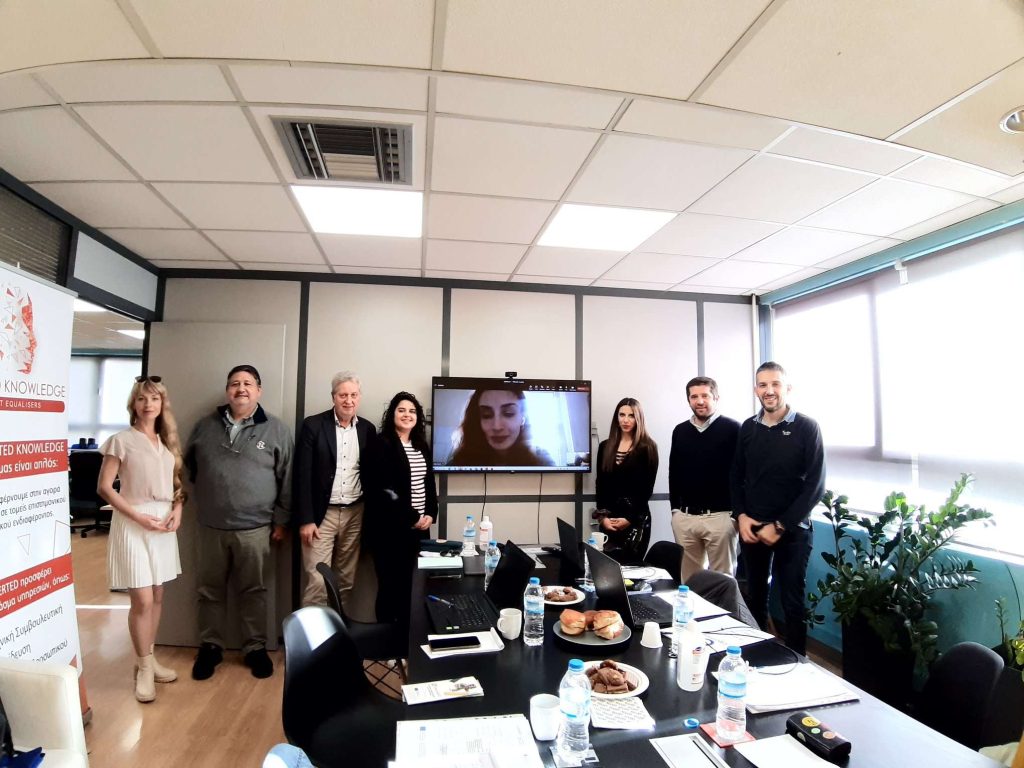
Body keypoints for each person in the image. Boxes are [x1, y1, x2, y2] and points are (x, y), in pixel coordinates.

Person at [185, 364, 293, 680]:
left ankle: (255, 648)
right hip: (211, 527)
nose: (241, 388)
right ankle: (210, 647)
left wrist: (281, 520)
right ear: (227, 391)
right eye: (234, 383)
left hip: (256, 528)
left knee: (254, 591)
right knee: (209, 591)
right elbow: (191, 469)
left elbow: (286, 479)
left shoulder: (276, 429)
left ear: (259, 391)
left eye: (248, 383)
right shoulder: (204, 426)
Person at [97, 375, 184, 703]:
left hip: (162, 523)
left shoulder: (167, 442)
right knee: (143, 600)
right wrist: (136, 516)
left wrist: (178, 509)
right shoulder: (121, 440)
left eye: (155, 398)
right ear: (133, 404)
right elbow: (105, 487)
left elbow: (177, 484)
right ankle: (143, 667)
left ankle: (149, 658)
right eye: (142, 398)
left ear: (162, 404)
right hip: (134, 521)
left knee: (158, 594)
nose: (149, 404)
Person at [730, 361, 825, 656]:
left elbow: (816, 485)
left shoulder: (807, 427)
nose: (769, 390)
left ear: (787, 388)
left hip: (793, 530)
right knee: (755, 597)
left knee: (792, 602)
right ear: (755, 390)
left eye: (775, 384)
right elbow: (736, 476)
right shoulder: (748, 428)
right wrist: (741, 515)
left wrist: (781, 525)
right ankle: (755, 658)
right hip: (754, 528)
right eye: (763, 385)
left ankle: (798, 664)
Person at [293, 372, 376, 609]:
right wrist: (306, 519)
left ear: (359, 397)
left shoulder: (367, 429)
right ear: (333, 397)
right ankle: (313, 633)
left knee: (345, 582)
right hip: (322, 516)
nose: (348, 400)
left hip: (355, 513)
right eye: (343, 395)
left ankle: (337, 630)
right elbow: (301, 475)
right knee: (318, 582)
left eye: (353, 395)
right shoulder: (313, 425)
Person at [365, 392, 436, 627]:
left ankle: (407, 639)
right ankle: (387, 638)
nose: (407, 415)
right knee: (390, 587)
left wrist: (430, 513)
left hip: (419, 529)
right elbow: (383, 490)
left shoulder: (420, 444)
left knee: (413, 587)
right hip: (390, 530)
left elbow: (428, 483)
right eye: (401, 410)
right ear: (392, 414)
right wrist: (412, 517)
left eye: (412, 411)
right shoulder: (381, 444)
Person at [669, 376, 740, 581]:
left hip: (720, 518)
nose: (699, 401)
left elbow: (741, 474)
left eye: (705, 396)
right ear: (688, 400)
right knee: (689, 582)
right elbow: (674, 472)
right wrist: (675, 511)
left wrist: (734, 516)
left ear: (716, 398)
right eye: (694, 397)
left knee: (723, 582)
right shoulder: (680, 431)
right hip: (685, 519)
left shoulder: (733, 429)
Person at [594, 397, 658, 564]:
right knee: (607, 567)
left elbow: (647, 489)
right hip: (609, 519)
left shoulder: (648, 448)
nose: (626, 420)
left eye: (631, 416)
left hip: (636, 520)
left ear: (638, 419)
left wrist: (629, 519)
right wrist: (602, 517)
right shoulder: (605, 446)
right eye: (622, 415)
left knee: (631, 567)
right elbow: (600, 485)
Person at [447, 387, 554, 466]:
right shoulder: (459, 462)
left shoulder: (541, 461)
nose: (497, 426)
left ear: (523, 417)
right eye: (486, 415)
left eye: (508, 413)